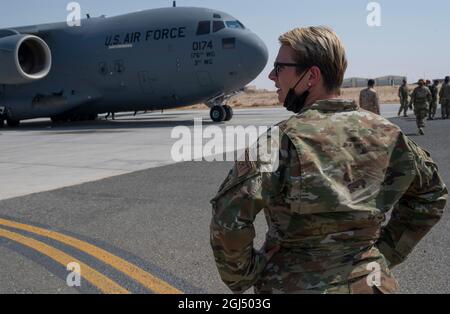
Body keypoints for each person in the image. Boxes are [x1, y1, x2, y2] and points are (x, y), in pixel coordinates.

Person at [210, 26, 448, 294]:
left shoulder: (281, 140)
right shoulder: (389, 134)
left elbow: (228, 217)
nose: (272, 76)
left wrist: (245, 276)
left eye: (280, 67)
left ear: (311, 75)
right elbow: (431, 194)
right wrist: (383, 254)